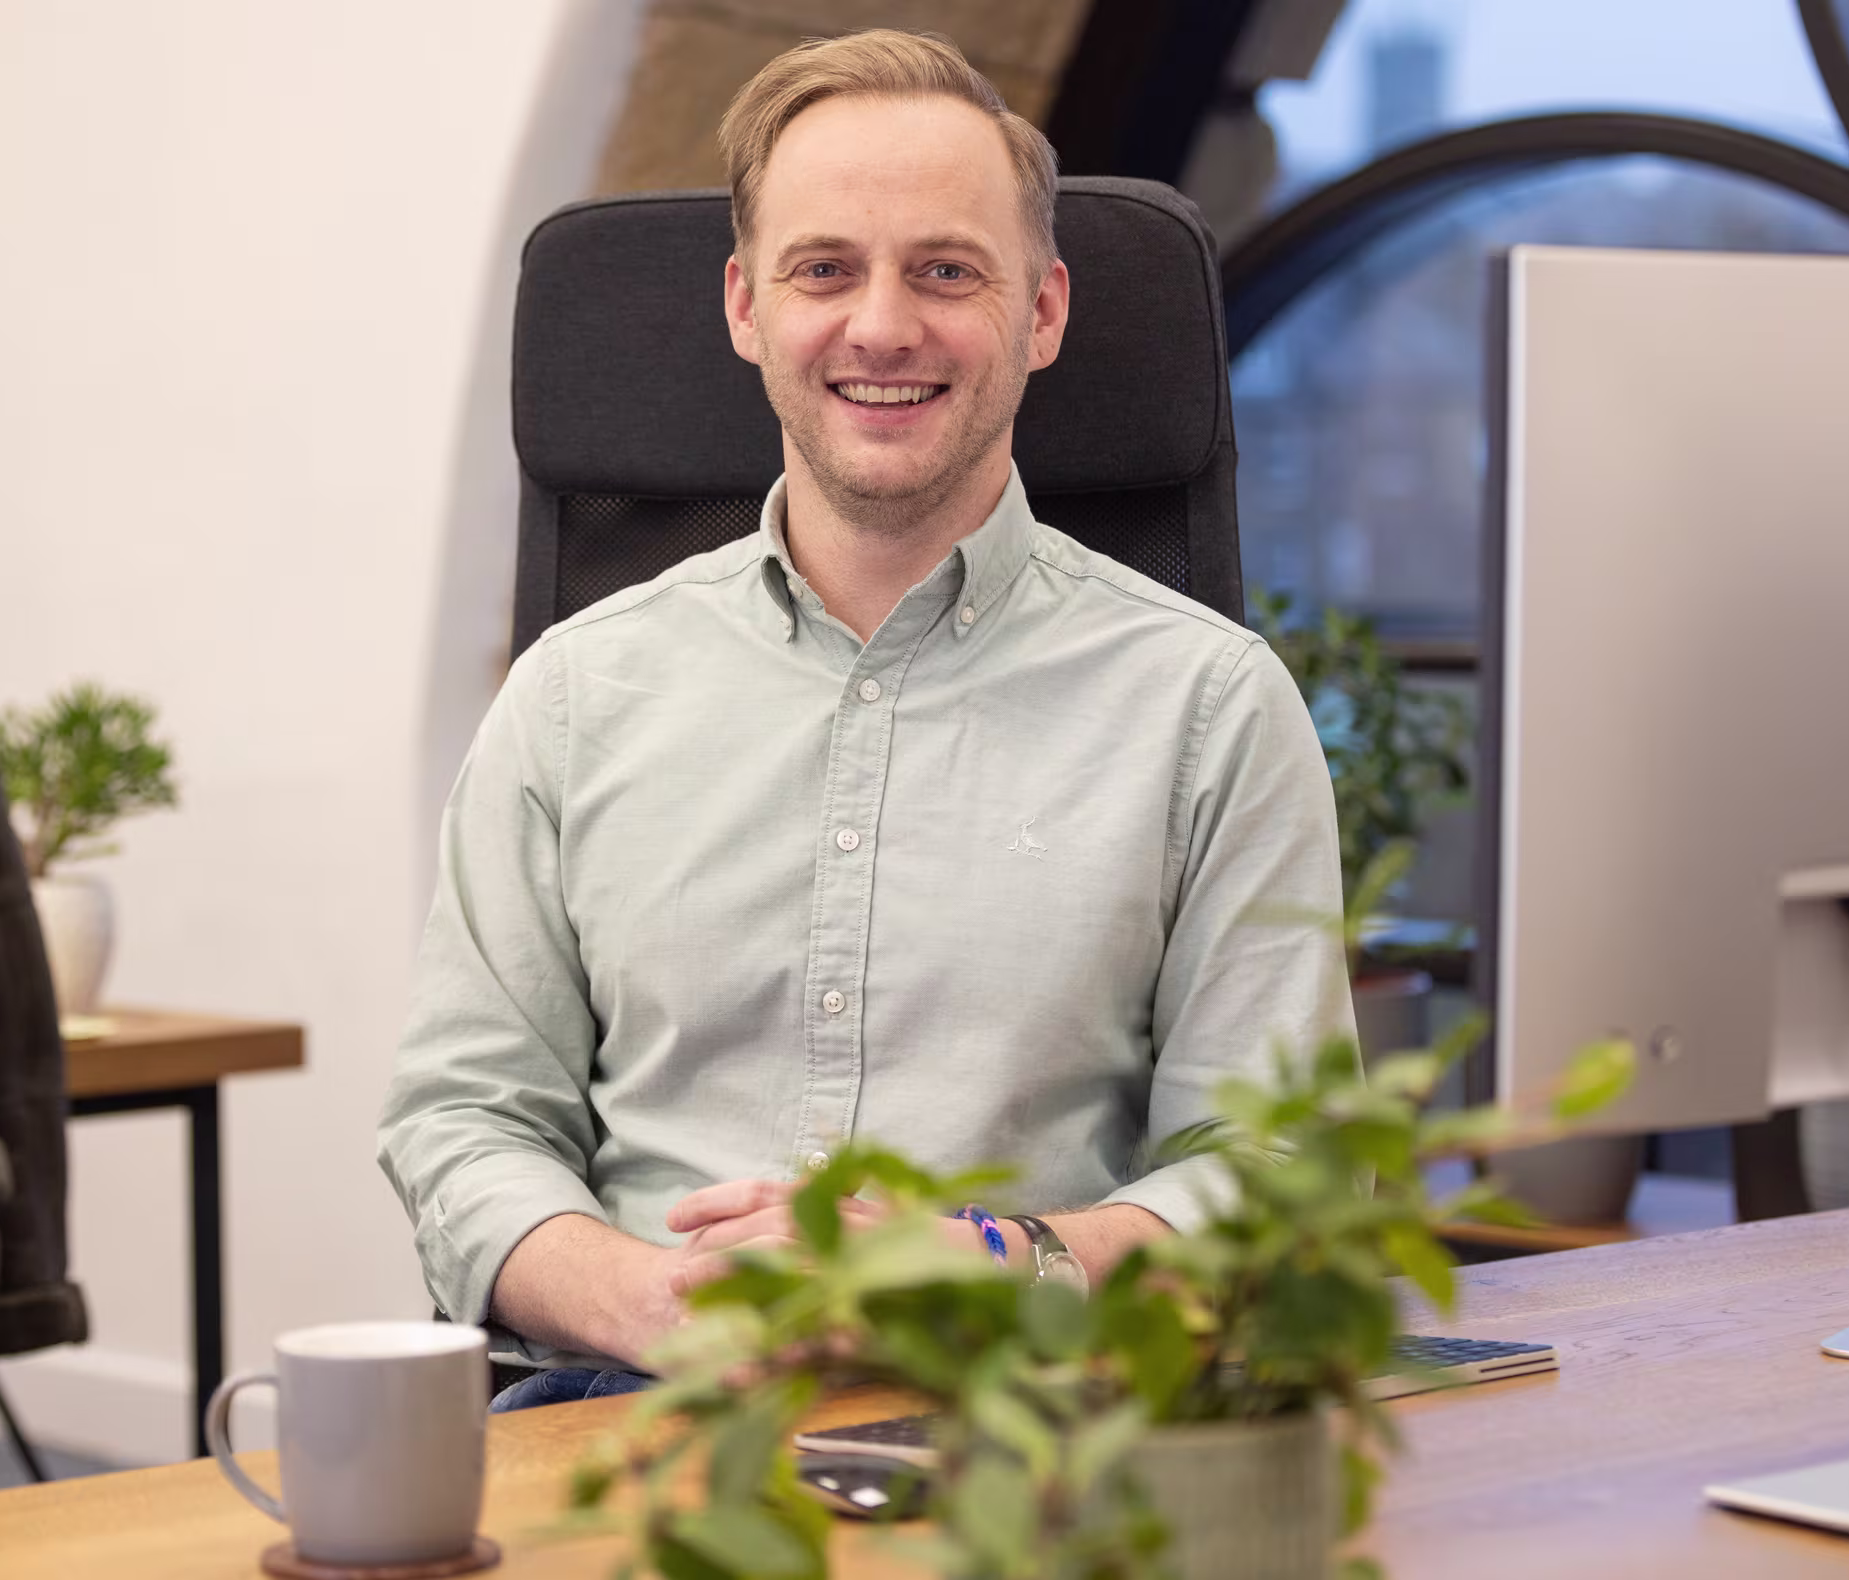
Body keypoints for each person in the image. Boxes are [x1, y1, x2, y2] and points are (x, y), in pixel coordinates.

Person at [377, 28, 1350, 1409]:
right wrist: (640, 1296)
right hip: (632, 1415)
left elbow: (1280, 1170)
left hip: (1042, 1433)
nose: (881, 326)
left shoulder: (1208, 708)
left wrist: (1001, 1263)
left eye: (946, 271)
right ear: (746, 308)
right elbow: (463, 1118)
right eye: (823, 268)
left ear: (1042, 313)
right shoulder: (574, 696)